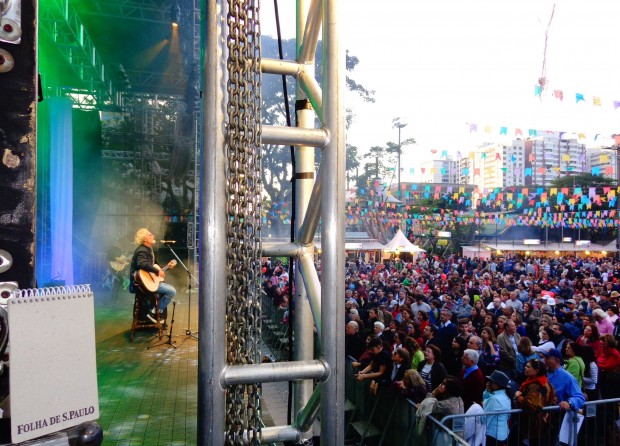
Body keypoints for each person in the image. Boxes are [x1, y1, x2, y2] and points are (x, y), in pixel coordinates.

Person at [129, 228, 176, 324]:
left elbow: (154, 269)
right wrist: (157, 271)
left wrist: (167, 267)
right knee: (172, 291)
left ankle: (156, 312)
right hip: (141, 284)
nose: (153, 235)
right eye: (150, 235)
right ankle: (155, 311)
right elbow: (142, 264)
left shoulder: (149, 250)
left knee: (169, 288)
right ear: (145, 239)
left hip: (149, 280)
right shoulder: (142, 250)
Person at [514, 359, 557, 446]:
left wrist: (519, 397)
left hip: (534, 427)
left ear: (536, 371)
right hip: (538, 426)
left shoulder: (535, 386)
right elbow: (554, 399)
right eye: (525, 366)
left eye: (528, 367)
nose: (525, 368)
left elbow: (532, 406)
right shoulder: (544, 381)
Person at [483, 370, 512, 446]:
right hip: (504, 433)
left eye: (491, 382)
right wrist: (487, 391)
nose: (489, 383)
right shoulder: (507, 396)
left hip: (492, 435)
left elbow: (484, 418)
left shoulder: (495, 399)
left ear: (497, 384)